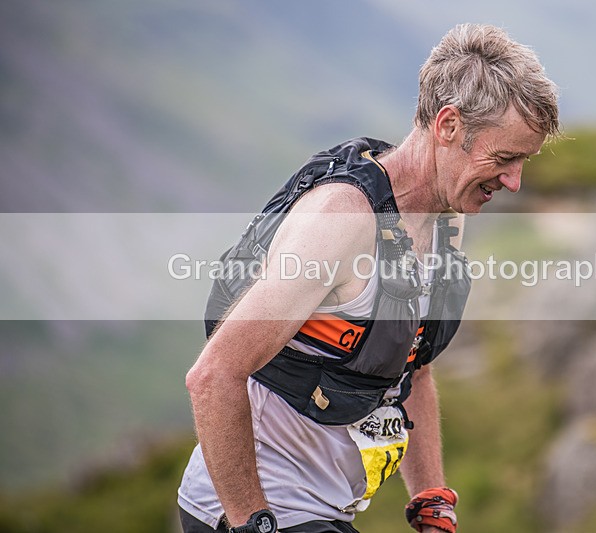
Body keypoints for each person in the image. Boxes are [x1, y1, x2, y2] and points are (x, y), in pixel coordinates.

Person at [177, 23, 559, 533]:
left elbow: (411, 367)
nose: (514, 182)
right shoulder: (344, 220)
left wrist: (432, 501)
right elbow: (213, 376)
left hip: (324, 509)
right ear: (448, 126)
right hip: (256, 508)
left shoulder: (448, 218)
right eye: (506, 158)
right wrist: (251, 523)